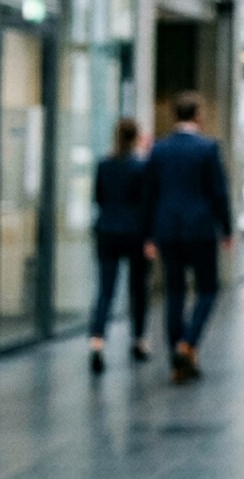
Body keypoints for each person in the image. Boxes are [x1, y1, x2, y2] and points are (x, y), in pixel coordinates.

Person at [143, 91, 231, 384]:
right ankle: (187, 343)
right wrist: (227, 228)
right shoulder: (207, 148)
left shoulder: (160, 149)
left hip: (168, 229)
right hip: (200, 228)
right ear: (197, 115)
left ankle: (176, 360)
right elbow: (218, 192)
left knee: (175, 292)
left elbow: (150, 195)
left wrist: (150, 234)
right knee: (207, 289)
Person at [86, 117, 153, 373]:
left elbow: (98, 197)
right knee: (138, 289)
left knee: (105, 289)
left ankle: (97, 341)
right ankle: (139, 340)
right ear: (136, 137)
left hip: (107, 230)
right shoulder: (141, 166)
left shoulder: (104, 164)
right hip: (135, 232)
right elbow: (146, 204)